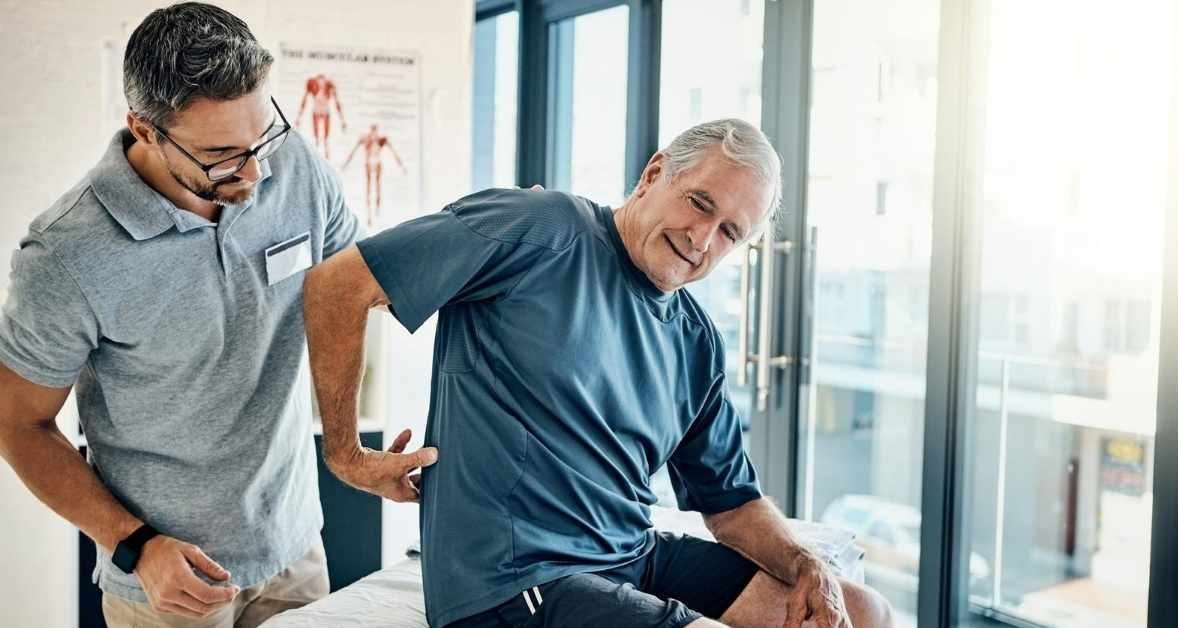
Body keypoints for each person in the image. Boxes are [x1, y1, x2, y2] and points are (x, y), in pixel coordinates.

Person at [303, 119, 895, 628]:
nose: (702, 239)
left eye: (730, 233)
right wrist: (346, 453)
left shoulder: (694, 338)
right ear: (654, 173)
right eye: (700, 203)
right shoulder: (538, 227)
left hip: (630, 555)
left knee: (861, 610)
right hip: (513, 578)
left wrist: (805, 564)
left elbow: (732, 505)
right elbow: (338, 285)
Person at [0, 3, 382, 626]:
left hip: (293, 543)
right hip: (167, 583)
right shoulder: (65, 254)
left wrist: (348, 449)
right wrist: (136, 546)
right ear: (145, 129)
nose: (258, 171)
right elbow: (18, 425)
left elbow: (348, 289)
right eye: (223, 154)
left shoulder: (296, 166)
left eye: (262, 137)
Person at [342, 124, 408, 227]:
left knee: (377, 188)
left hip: (376, 163)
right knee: (368, 189)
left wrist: (402, 166)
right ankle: (369, 216)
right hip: (369, 162)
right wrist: (346, 164)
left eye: (375, 131)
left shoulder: (381, 139)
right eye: (373, 131)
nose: (374, 133)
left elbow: (394, 153)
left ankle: (377, 213)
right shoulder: (365, 139)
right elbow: (353, 152)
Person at [297, 73, 347, 160]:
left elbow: (337, 103)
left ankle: (327, 159)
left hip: (325, 111)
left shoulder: (330, 85)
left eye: (322, 83)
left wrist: (342, 120)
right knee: (317, 139)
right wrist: (299, 118)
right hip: (317, 111)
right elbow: (304, 101)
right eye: (319, 83)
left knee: (325, 141)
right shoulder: (312, 84)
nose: (321, 85)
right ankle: (316, 157)